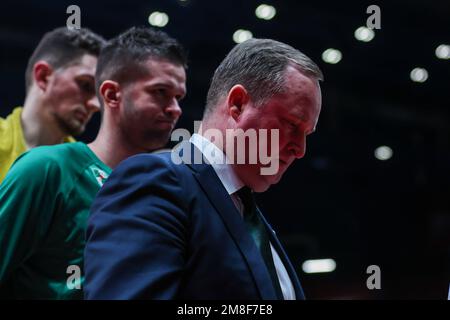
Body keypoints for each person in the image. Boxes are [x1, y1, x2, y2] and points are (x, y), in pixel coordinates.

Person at [84, 38, 323, 299]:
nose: (300, 149)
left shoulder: (245, 211)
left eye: (307, 134)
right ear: (238, 104)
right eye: (291, 124)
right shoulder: (154, 181)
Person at [0, 26, 187, 299]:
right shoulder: (46, 170)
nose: (175, 109)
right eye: (160, 91)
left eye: (179, 97)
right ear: (111, 95)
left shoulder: (168, 192)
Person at [0, 27, 106, 183]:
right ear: (43, 77)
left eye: (98, 95)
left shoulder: (89, 173)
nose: (96, 105)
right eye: (86, 85)